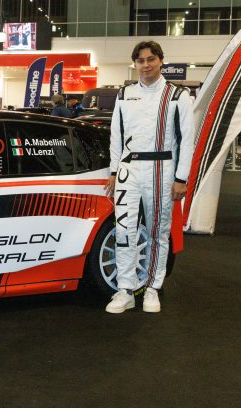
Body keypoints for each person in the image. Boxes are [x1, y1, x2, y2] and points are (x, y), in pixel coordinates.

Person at [104, 41, 194, 314]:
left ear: (160, 61)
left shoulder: (178, 95)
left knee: (158, 231)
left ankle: (153, 287)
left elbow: (187, 140)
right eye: (140, 60)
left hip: (162, 169)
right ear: (135, 64)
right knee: (124, 230)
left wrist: (181, 178)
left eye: (151, 59)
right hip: (128, 170)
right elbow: (116, 135)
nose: (146, 65)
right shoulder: (124, 94)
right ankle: (125, 289)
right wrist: (113, 171)